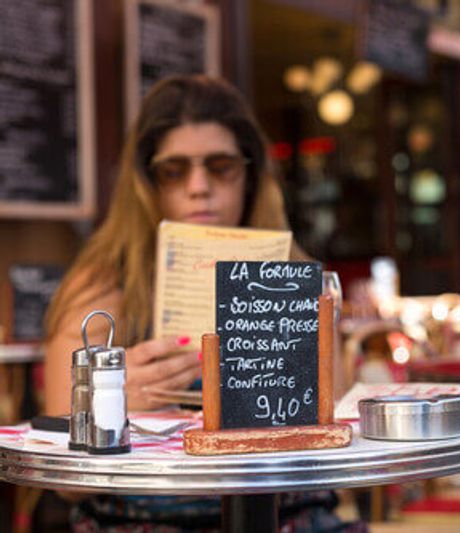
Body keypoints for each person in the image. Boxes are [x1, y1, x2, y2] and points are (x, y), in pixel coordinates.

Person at [44, 75, 358, 532]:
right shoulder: (101, 288)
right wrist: (110, 415)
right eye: (174, 170)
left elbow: (342, 452)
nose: (198, 186)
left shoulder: (298, 282)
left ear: (251, 174)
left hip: (287, 518)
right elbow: (64, 481)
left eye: (220, 166)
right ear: (145, 183)